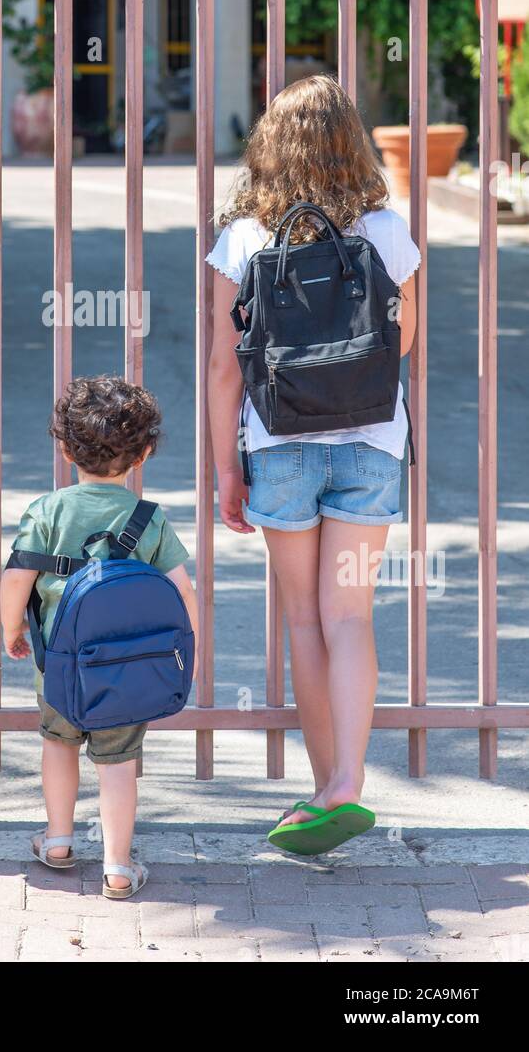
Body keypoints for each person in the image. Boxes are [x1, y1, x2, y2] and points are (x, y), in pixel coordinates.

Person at [206, 75, 420, 854]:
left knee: (303, 619)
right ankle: (347, 786)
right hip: (370, 440)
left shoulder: (243, 240)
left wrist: (226, 470)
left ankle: (324, 787)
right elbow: (401, 341)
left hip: (279, 443)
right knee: (350, 617)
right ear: (351, 143)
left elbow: (224, 366)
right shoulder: (385, 230)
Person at [0, 375, 198, 897]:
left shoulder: (48, 511)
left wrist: (12, 627)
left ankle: (59, 840)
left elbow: (16, 578)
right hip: (128, 673)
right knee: (118, 763)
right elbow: (183, 592)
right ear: (144, 454)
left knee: (58, 745)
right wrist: (185, 644)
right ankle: (117, 865)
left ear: (64, 447)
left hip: (60, 666)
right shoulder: (148, 520)